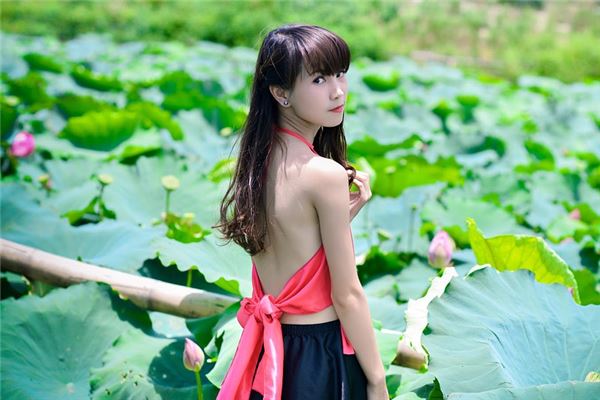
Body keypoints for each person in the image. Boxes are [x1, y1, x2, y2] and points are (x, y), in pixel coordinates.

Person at [212, 23, 389, 400]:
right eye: (319, 79)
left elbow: (291, 250)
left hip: (272, 353)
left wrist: (341, 215)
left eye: (340, 74)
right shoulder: (324, 174)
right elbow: (347, 295)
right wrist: (377, 379)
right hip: (320, 356)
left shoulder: (256, 163)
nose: (337, 91)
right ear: (281, 93)